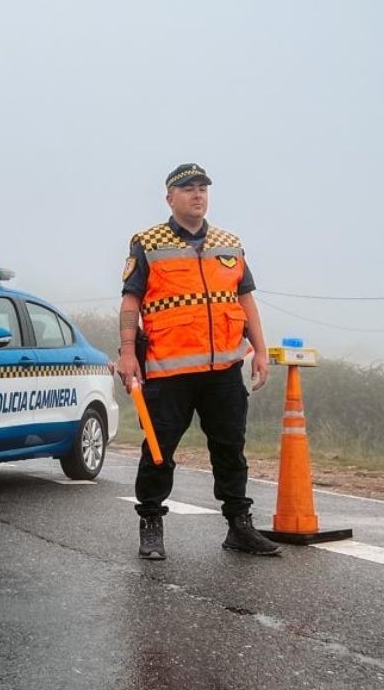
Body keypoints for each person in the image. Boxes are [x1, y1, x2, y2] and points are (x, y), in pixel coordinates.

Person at [116, 163, 281, 560]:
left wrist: (260, 350)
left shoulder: (229, 243)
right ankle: (151, 524)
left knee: (230, 448)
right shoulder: (148, 242)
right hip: (168, 371)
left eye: (202, 188)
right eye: (188, 188)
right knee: (159, 450)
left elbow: (245, 300)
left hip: (223, 371)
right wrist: (127, 353)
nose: (197, 194)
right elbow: (131, 301)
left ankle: (239, 526)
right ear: (169, 197)